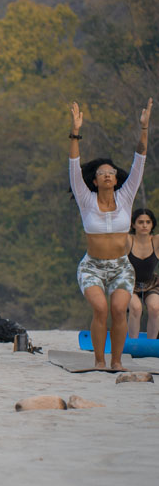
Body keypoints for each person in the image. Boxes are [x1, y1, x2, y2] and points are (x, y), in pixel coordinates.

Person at [70, 99, 151, 368]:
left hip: (120, 267)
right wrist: (75, 132)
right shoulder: (86, 199)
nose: (107, 175)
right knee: (101, 309)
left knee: (118, 310)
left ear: (117, 179)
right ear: (94, 180)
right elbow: (73, 165)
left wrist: (144, 128)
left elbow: (139, 161)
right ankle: (98, 360)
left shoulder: (126, 197)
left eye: (111, 173)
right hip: (92, 266)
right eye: (102, 173)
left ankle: (116, 361)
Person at [126, 208, 159, 340]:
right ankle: (133, 342)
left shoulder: (156, 241)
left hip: (151, 283)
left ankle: (152, 344)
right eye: (140, 222)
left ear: (152, 224)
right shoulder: (128, 240)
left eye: (148, 222)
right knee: (136, 308)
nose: (144, 225)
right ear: (133, 224)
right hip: (129, 283)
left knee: (155, 308)